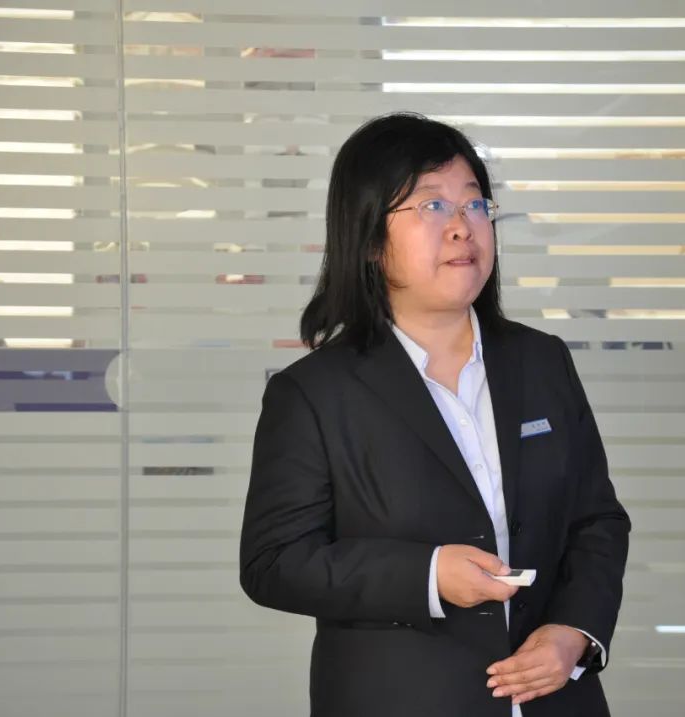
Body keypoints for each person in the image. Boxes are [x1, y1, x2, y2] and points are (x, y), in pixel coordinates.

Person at [239, 112, 630, 717]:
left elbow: (597, 521)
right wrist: (427, 574)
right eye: (431, 206)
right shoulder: (314, 393)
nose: (461, 227)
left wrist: (573, 633)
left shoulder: (542, 361)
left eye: (475, 205)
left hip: (555, 699)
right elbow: (275, 563)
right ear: (371, 238)